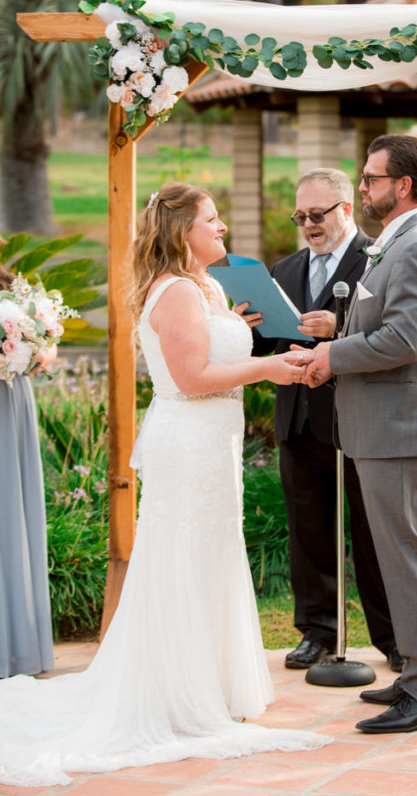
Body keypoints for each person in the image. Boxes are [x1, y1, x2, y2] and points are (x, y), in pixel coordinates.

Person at [0, 183, 330, 788]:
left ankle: (209, 680)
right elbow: (192, 376)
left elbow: (212, 354)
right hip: (191, 441)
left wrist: (241, 329)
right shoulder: (176, 289)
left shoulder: (205, 286)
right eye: (211, 219)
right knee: (182, 558)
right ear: (183, 231)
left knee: (211, 556)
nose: (223, 226)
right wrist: (267, 367)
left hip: (215, 440)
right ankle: (176, 692)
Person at [299, 136, 417, 735]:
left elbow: (403, 341)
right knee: (399, 560)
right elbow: (387, 320)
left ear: (403, 187)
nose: (362, 188)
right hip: (388, 430)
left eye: (370, 179)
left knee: (407, 561)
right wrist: (337, 328)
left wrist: (333, 355)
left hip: (404, 432)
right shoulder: (398, 242)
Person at [239, 168, 401, 672]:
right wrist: (247, 328)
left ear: (346, 209)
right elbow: (266, 348)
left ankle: (394, 637)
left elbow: (396, 332)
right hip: (299, 421)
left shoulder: (377, 260)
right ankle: (318, 630)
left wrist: (341, 325)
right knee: (309, 532)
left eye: (318, 214)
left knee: (375, 533)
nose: (308, 224)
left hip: (360, 420)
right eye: (300, 216)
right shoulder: (283, 271)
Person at [0, 255, 56, 680]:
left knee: (10, 510)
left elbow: (45, 343)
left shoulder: (13, 287)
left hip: (11, 405)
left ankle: (16, 643)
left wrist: (40, 349)